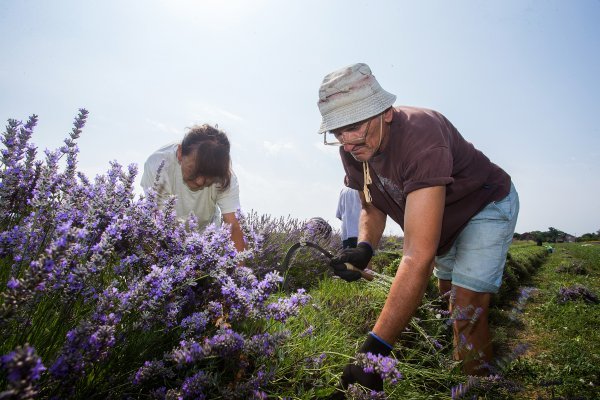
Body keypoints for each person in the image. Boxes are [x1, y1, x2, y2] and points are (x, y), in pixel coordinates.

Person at [316, 63, 519, 391]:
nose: (346, 141)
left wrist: (376, 349)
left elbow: (416, 255)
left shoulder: (422, 136)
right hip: (445, 223)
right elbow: (371, 202)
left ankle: (480, 390)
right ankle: (456, 369)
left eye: (352, 126)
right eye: (337, 131)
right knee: (445, 302)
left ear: (385, 113)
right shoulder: (353, 149)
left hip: (484, 205)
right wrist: (364, 248)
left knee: (466, 309)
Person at [141, 124, 245, 252]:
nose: (200, 181)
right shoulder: (158, 165)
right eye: (194, 170)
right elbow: (156, 220)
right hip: (167, 236)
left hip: (206, 237)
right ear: (180, 153)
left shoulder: (224, 177)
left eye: (208, 176)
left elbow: (234, 226)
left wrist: (239, 271)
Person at [336, 177, 361, 249]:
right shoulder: (362, 189)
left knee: (348, 257)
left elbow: (339, 214)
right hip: (361, 231)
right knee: (361, 258)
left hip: (347, 232)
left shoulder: (343, 191)